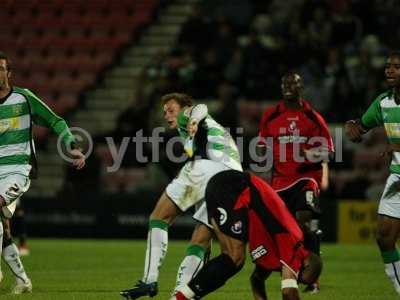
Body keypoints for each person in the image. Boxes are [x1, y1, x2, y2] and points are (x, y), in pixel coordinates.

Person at [120, 93, 242, 299]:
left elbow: (200, 107)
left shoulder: (190, 116)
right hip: (233, 179)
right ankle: (180, 294)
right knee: (201, 241)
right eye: (165, 111)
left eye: (171, 110)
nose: (167, 115)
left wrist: (192, 119)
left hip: (207, 168)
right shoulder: (208, 130)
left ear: (184, 108)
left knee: (158, 218)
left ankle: (149, 281)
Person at [0, 52, 86, 294]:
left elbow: (56, 121)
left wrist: (73, 147)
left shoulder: (24, 98)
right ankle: (23, 281)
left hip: (18, 169)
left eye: (0, 69)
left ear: (9, 73)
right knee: (3, 228)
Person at [172, 170, 322, 300]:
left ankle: (185, 296)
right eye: (299, 276)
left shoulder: (280, 252)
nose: (295, 279)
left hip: (232, 189)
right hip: (235, 187)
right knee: (234, 257)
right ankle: (180, 297)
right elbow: (289, 293)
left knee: (233, 260)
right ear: (305, 262)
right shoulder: (294, 244)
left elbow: (256, 280)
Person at [257, 72, 334, 293]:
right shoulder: (271, 115)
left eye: (293, 83)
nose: (287, 86)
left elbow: (328, 151)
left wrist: (311, 153)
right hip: (279, 182)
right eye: (284, 83)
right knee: (285, 229)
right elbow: (262, 145)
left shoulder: (313, 117)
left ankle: (312, 276)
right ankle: (293, 268)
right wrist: (262, 153)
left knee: (303, 222)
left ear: (302, 87)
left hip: (306, 179)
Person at [345, 51, 400, 296]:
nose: (389, 70)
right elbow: (361, 125)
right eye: (388, 66)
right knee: (385, 236)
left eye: (397, 67)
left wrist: (397, 146)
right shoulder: (383, 102)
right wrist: (352, 126)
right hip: (398, 177)